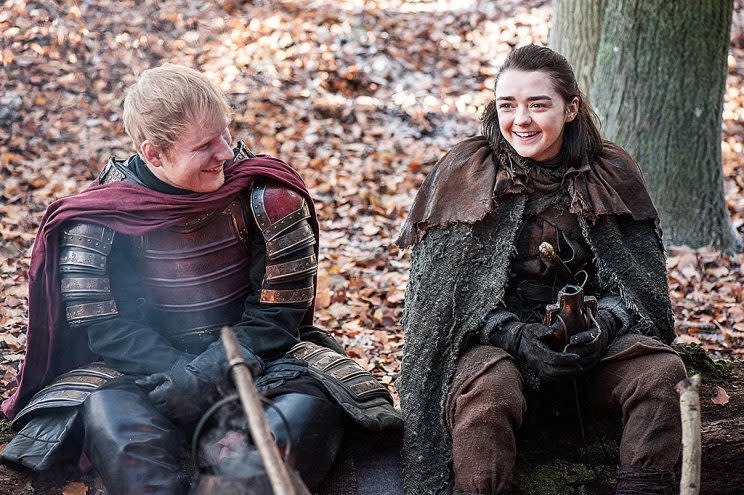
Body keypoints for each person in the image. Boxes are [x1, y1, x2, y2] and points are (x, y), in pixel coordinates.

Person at [1, 64, 401, 494]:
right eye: (205, 145)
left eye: (225, 135)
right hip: (145, 374)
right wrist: (176, 374)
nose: (226, 153)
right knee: (120, 435)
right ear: (154, 154)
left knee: (293, 425)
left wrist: (210, 372)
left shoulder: (268, 199)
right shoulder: (100, 220)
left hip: (266, 361)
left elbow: (281, 311)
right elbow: (106, 329)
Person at [396, 45, 686, 495]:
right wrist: (515, 336)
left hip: (593, 352)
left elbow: (638, 287)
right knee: (489, 398)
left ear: (570, 108)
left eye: (538, 104)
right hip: (494, 352)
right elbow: (445, 310)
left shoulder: (610, 172)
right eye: (507, 105)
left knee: (662, 374)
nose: (521, 119)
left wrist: (603, 324)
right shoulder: (466, 176)